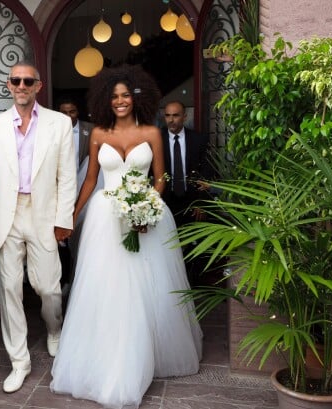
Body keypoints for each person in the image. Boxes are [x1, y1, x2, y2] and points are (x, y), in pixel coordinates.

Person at [50, 65, 203, 409]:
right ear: (107, 99)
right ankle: (107, 355)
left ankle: (146, 355)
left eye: (125, 96)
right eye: (114, 96)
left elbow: (161, 178)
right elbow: (90, 181)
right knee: (107, 286)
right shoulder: (99, 135)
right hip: (105, 220)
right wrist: (71, 218)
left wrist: (146, 206)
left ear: (136, 99)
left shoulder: (152, 132)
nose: (120, 101)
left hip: (145, 218)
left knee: (147, 287)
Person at [0, 61, 77, 394]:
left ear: (38, 86)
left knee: (48, 287)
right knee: (10, 289)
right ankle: (19, 362)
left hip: (43, 212)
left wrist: (64, 219)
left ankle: (54, 329)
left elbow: (67, 176)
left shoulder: (59, 123)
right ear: (8, 85)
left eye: (27, 80)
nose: (21, 85)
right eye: (15, 80)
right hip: (7, 214)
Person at [161, 101, 214, 279]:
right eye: (168, 115)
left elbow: (207, 173)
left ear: (185, 117)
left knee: (194, 247)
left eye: (175, 115)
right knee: (166, 246)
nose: (171, 120)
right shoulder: (157, 140)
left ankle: (193, 286)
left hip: (192, 202)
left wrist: (202, 203)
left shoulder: (199, 139)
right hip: (165, 203)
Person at [56, 98, 94, 296]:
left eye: (71, 111)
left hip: (87, 187)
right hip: (59, 190)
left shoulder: (92, 129)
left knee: (83, 233)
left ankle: (78, 279)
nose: (68, 116)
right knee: (61, 238)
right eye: (64, 112)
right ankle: (64, 279)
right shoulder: (52, 130)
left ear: (77, 112)